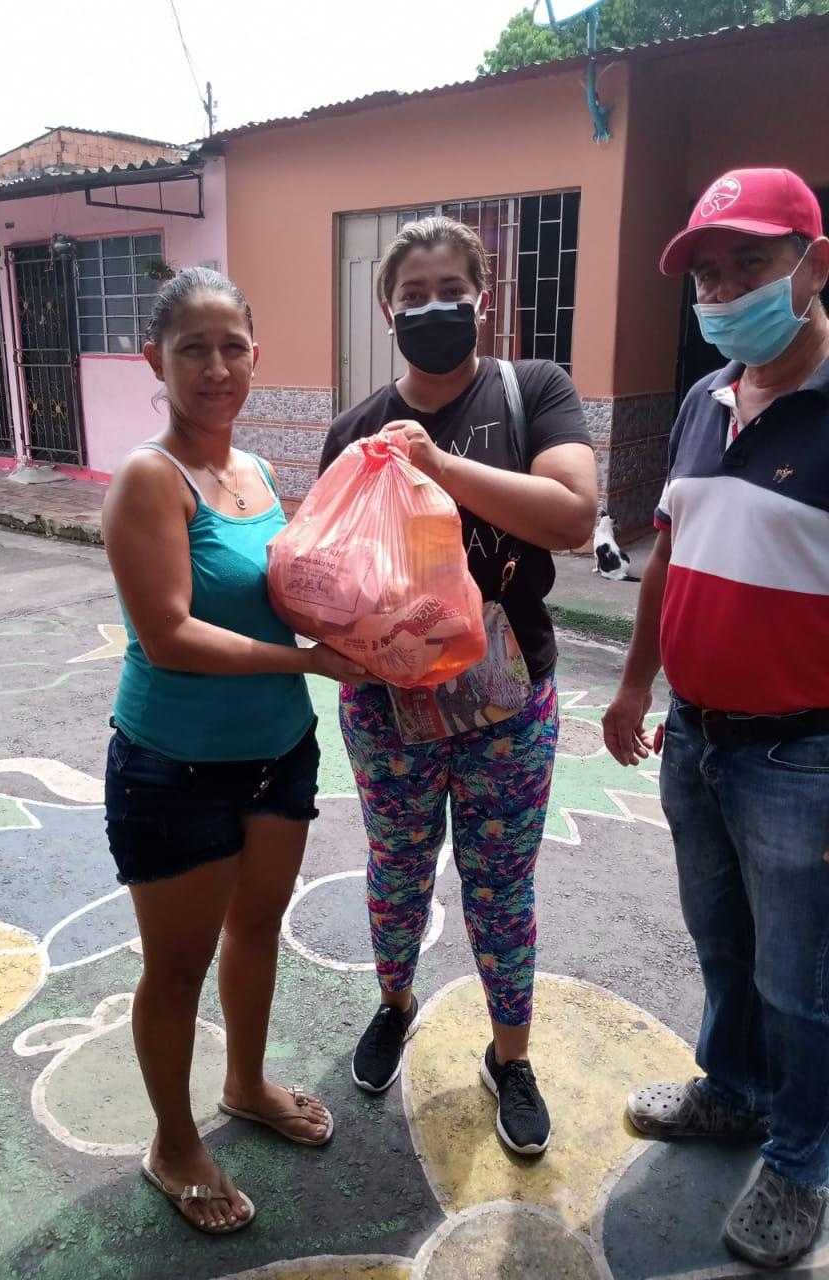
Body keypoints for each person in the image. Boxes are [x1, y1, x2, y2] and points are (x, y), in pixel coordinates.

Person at [320, 217, 597, 1154]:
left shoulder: (533, 391)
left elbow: (573, 515)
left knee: (500, 884)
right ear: (387, 308)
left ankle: (509, 1058)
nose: (433, 307)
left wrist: (438, 468)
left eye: (451, 290)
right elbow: (327, 565)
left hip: (507, 698)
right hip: (388, 702)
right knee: (397, 868)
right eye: (414, 294)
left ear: (484, 297)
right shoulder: (355, 430)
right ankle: (394, 1005)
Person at [102, 268, 366, 1234]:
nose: (216, 368)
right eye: (193, 350)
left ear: (256, 353)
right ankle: (173, 1144)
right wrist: (310, 661)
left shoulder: (254, 470)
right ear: (155, 361)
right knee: (175, 969)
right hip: (174, 766)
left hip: (278, 749)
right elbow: (169, 634)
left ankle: (246, 1084)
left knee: (257, 928)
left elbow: (284, 591)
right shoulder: (148, 479)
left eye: (232, 347)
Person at [603, 168, 829, 1270]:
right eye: (707, 272)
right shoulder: (704, 401)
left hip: (803, 754)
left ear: (813, 265)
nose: (725, 289)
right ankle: (734, 1091)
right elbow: (669, 554)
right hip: (695, 737)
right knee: (723, 943)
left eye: (750, 262)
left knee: (804, 980)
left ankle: (800, 1161)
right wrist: (636, 683)